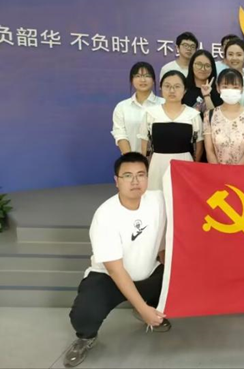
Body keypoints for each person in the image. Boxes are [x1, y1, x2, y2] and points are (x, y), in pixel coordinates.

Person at [64, 153, 170, 368]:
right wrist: (144, 310)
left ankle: (149, 306)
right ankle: (86, 337)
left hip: (149, 273)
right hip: (110, 278)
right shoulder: (106, 215)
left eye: (141, 175)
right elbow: (116, 270)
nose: (135, 181)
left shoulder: (158, 200)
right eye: (128, 176)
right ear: (116, 181)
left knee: (179, 280)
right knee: (84, 315)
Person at [138, 71, 203, 190]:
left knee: (182, 197)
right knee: (157, 198)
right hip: (157, 166)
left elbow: (198, 148)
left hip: (185, 165)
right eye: (167, 86)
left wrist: (191, 165)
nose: (172, 90)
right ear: (160, 89)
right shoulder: (150, 114)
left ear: (185, 90)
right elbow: (144, 147)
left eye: (177, 86)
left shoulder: (193, 115)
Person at [204, 69, 244, 165]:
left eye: (235, 87)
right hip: (217, 172)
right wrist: (219, 171)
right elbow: (209, 150)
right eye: (225, 87)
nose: (230, 91)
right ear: (218, 88)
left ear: (242, 89)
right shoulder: (209, 116)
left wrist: (234, 171)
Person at [111, 62, 165, 154]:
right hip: (132, 159)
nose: (143, 80)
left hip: (160, 158)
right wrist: (132, 159)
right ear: (131, 80)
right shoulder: (122, 107)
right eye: (138, 76)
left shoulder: (164, 104)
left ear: (153, 80)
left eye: (147, 76)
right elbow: (120, 135)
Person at [223, 38, 244, 106]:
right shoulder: (220, 79)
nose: (234, 58)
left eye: (239, 55)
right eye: (230, 54)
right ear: (225, 58)